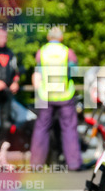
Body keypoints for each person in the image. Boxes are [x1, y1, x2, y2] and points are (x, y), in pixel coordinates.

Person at [30, 27, 82, 170]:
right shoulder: (67, 52)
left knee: (41, 128)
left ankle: (36, 164)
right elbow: (75, 71)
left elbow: (38, 71)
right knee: (69, 129)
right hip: (65, 95)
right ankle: (73, 163)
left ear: (48, 37)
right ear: (61, 38)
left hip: (46, 95)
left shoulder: (41, 52)